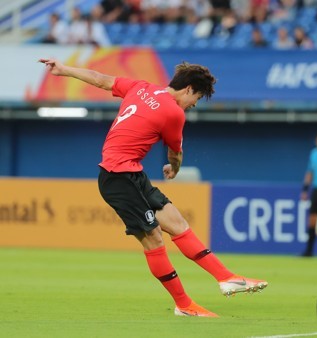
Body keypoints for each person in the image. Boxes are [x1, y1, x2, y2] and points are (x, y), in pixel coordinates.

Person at [38, 58, 268, 317]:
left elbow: (100, 79)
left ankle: (227, 278)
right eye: (197, 98)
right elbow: (175, 154)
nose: (193, 105)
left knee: (177, 223)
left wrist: (64, 69)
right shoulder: (174, 113)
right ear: (189, 89)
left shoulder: (142, 87)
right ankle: (184, 304)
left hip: (132, 174)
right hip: (118, 177)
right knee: (154, 238)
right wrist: (175, 169)